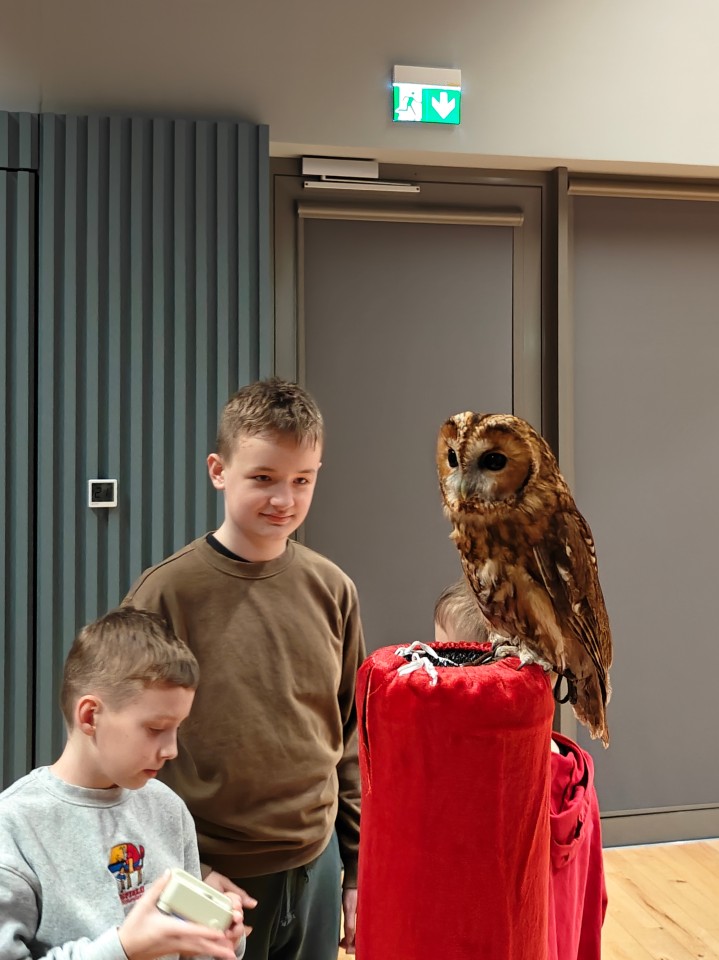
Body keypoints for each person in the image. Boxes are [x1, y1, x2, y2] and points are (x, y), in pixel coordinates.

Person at [123, 378, 366, 960]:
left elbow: (353, 735)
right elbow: (125, 750)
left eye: (302, 480)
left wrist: (357, 866)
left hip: (317, 863)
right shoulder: (165, 594)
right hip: (211, 873)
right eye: (263, 478)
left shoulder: (334, 589)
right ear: (219, 471)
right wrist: (183, 867)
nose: (284, 499)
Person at [0, 607, 248, 960]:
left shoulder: (168, 808)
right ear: (90, 716)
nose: (172, 750)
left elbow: (190, 944)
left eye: (177, 728)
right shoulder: (14, 827)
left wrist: (221, 936)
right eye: (155, 728)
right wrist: (123, 949)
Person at [433, 579, 607, 960]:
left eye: (448, 661)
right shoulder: (578, 781)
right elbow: (594, 902)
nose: (437, 677)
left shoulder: (478, 792)